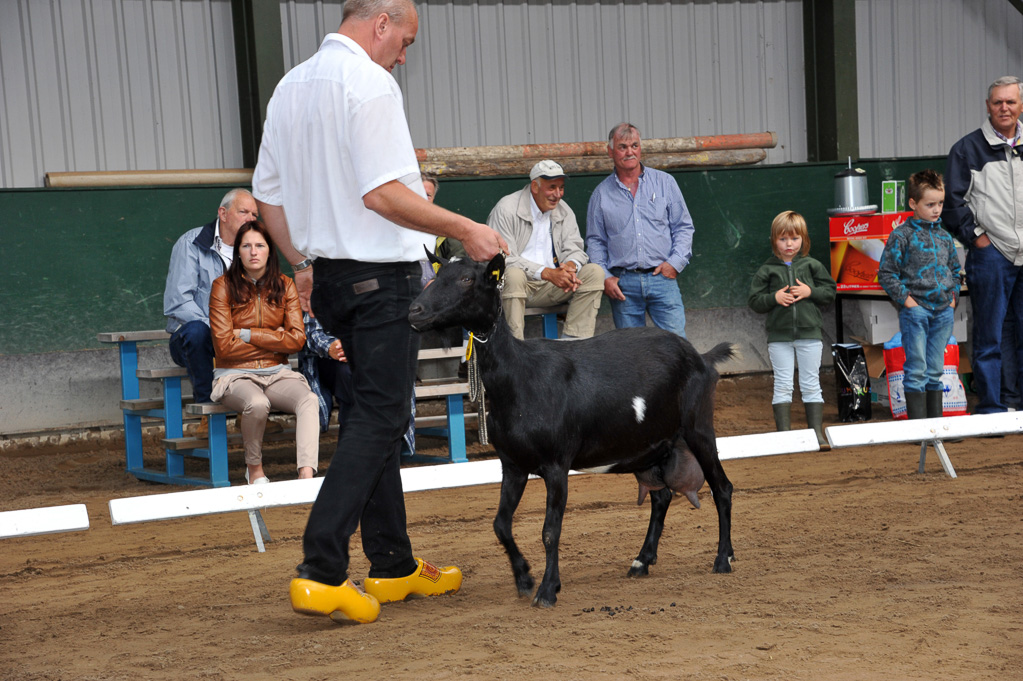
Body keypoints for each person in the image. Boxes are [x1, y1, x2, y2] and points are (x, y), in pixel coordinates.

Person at [250, 0, 508, 624]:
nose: (404, 54)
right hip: (381, 278)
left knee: (372, 414)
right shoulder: (370, 83)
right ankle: (321, 568)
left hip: (333, 279)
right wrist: (467, 228)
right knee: (384, 413)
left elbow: (267, 197)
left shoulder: (289, 86)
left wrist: (303, 264)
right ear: (382, 23)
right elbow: (384, 194)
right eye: (405, 40)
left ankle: (391, 564)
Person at [208, 221, 318, 483]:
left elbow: (296, 341)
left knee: (309, 400)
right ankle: (254, 469)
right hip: (235, 376)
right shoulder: (222, 286)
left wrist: (247, 334)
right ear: (238, 252)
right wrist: (276, 337)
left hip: (277, 373)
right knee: (257, 403)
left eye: (260, 245)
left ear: (270, 250)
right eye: (246, 246)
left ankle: (306, 474)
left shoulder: (286, 285)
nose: (253, 252)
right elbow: (223, 345)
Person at [943, 75, 1023, 414]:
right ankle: (992, 406)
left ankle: (1017, 402)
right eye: (997, 102)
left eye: (1011, 101)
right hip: (992, 254)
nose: (1004, 107)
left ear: (1020, 105)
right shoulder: (967, 149)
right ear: (988, 106)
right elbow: (952, 204)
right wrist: (978, 239)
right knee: (990, 334)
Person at [585, 123, 693, 337]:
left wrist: (675, 263)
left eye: (634, 145)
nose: (629, 152)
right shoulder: (601, 194)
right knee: (631, 356)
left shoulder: (665, 183)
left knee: (678, 348)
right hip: (624, 285)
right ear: (610, 151)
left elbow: (683, 227)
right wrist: (605, 277)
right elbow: (595, 241)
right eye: (622, 146)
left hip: (663, 279)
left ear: (640, 148)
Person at [486, 160, 604, 339]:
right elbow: (503, 258)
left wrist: (570, 267)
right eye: (552, 187)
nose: (558, 194)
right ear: (535, 186)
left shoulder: (564, 211)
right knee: (513, 274)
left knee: (594, 272)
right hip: (514, 286)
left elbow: (576, 249)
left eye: (561, 188)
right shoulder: (507, 208)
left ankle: (573, 345)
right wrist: (546, 273)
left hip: (552, 287)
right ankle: (514, 348)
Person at [163, 189, 258, 410]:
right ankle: (208, 409)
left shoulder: (256, 250)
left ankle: (253, 412)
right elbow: (178, 302)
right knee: (197, 332)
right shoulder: (191, 243)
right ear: (223, 214)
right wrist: (220, 330)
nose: (250, 219)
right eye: (244, 212)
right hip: (195, 338)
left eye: (255, 215)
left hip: (236, 338)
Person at [748, 211, 836, 444]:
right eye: (783, 239)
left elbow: (830, 292)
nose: (789, 244)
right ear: (773, 240)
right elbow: (754, 301)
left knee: (811, 382)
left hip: (810, 335)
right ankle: (784, 436)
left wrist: (810, 292)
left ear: (804, 239)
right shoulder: (767, 269)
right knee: (783, 383)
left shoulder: (812, 265)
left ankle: (816, 433)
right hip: (779, 338)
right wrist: (774, 298)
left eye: (795, 238)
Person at [878, 171, 961, 420]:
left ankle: (934, 428)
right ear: (913, 203)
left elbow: (956, 271)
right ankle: (917, 429)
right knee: (916, 369)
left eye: (940, 204)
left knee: (936, 369)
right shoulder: (901, 235)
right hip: (916, 311)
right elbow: (886, 273)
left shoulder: (945, 236)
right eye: (930, 204)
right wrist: (909, 302)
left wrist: (953, 296)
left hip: (943, 311)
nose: (937, 210)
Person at [298, 312, 417, 452]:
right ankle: (370, 449)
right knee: (350, 373)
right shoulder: (321, 291)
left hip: (372, 356)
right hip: (331, 358)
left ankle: (353, 453)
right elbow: (312, 332)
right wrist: (332, 347)